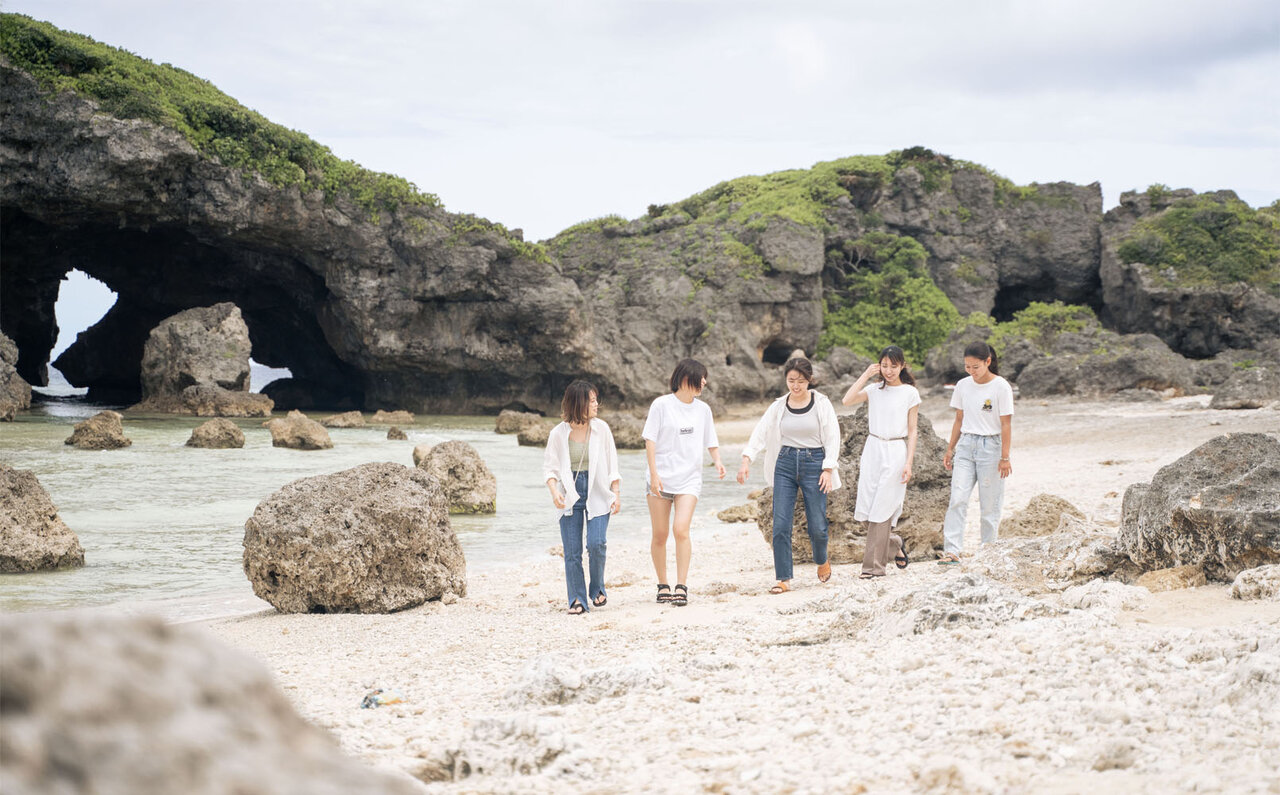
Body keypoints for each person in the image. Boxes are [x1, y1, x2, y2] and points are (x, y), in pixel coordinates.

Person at [738, 356, 841, 593]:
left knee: (817, 525)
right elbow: (760, 432)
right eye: (791, 381)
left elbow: (833, 437)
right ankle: (783, 578)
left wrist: (828, 468)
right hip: (784, 464)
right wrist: (746, 459)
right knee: (781, 524)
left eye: (801, 381)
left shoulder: (822, 403)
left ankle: (822, 559)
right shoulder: (778, 405)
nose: (796, 386)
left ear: (809, 381)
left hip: (815, 463)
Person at [643, 359, 725, 606]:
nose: (704, 382)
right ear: (685, 378)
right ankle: (662, 584)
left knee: (681, 529)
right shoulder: (661, 405)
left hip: (689, 479)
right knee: (660, 534)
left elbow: (710, 439)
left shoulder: (703, 410)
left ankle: (681, 585)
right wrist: (654, 474)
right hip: (660, 478)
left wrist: (718, 461)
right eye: (701, 378)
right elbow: (650, 440)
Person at [543, 380, 621, 614]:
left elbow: (613, 464)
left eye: (597, 399)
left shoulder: (602, 429)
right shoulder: (558, 433)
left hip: (598, 491)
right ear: (579, 403)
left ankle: (597, 588)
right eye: (592, 400)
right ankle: (577, 599)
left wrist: (616, 493)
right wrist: (555, 491)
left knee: (596, 544)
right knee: (572, 552)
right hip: (569, 494)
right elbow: (550, 468)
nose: (597, 404)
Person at [842, 346, 920, 579]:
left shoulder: (909, 393)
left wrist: (909, 463)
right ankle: (894, 544)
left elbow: (913, 430)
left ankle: (873, 568)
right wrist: (866, 375)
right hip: (872, 448)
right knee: (866, 511)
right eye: (884, 365)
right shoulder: (874, 389)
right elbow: (846, 401)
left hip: (896, 449)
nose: (888, 371)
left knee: (883, 508)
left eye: (893, 366)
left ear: (902, 366)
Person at [939, 341, 1014, 564]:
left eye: (975, 367)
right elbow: (959, 419)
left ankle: (988, 551)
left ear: (987, 361)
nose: (971, 372)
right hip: (966, 445)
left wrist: (1005, 457)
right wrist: (950, 448)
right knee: (958, 498)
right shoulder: (962, 385)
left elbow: (1006, 425)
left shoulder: (1001, 387)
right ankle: (951, 551)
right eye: (967, 367)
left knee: (990, 504)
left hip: (991, 447)